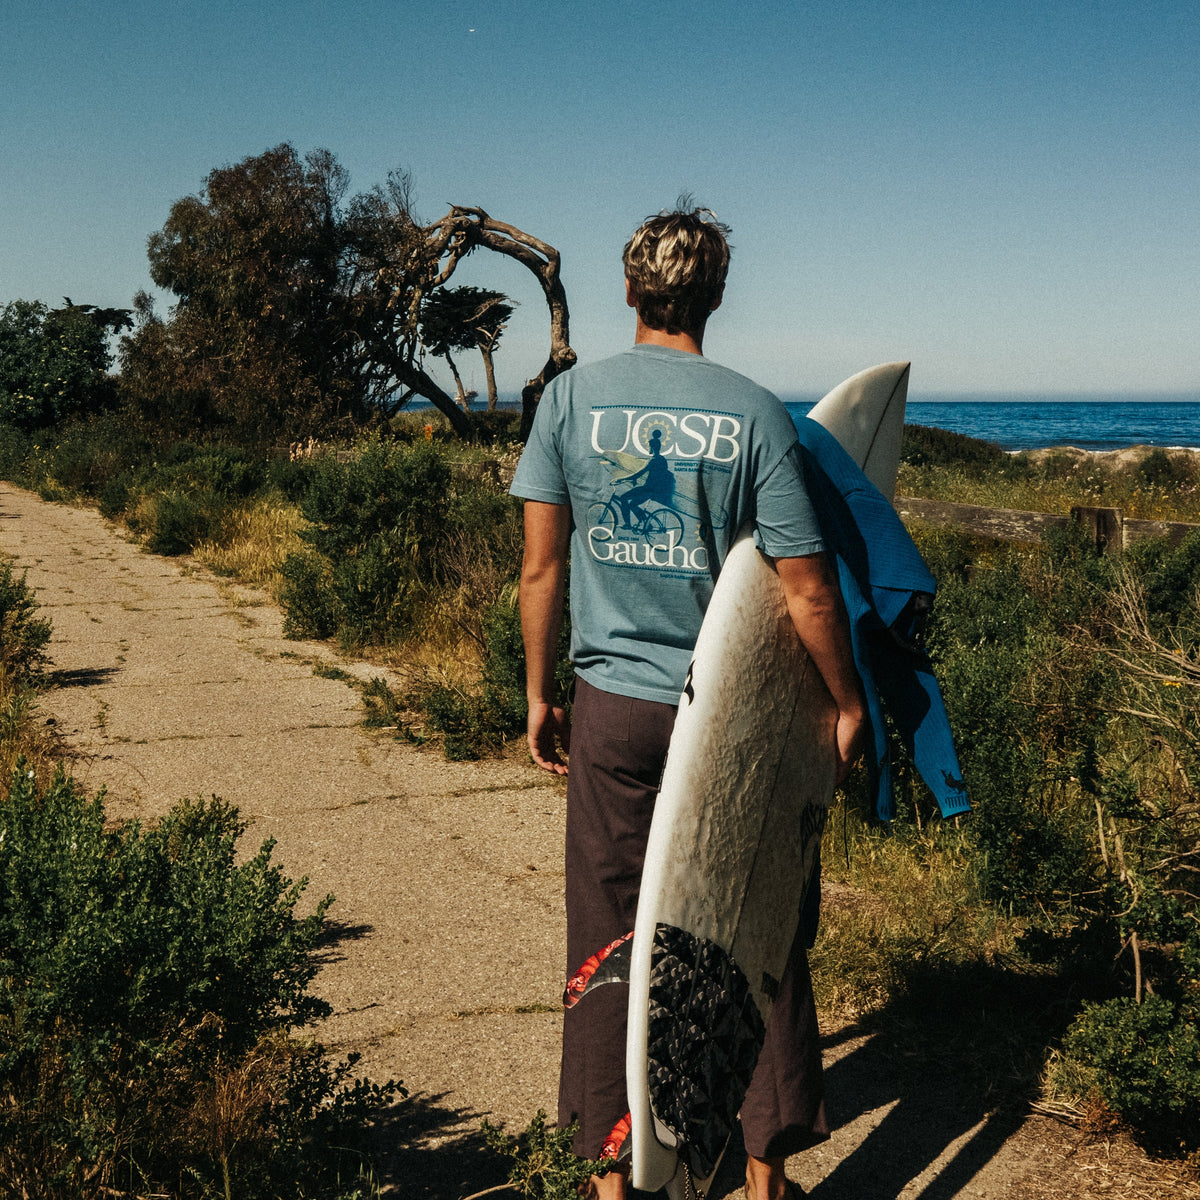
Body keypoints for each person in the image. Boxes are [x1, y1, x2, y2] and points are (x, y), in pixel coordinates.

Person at [510, 204, 866, 1200]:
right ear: (715, 295)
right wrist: (845, 703)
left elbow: (540, 570)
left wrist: (538, 693)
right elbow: (805, 588)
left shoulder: (568, 401)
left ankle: (610, 1178)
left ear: (629, 290)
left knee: (610, 934)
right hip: (733, 721)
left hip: (612, 709)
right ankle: (763, 1175)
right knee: (753, 923)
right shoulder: (754, 413)